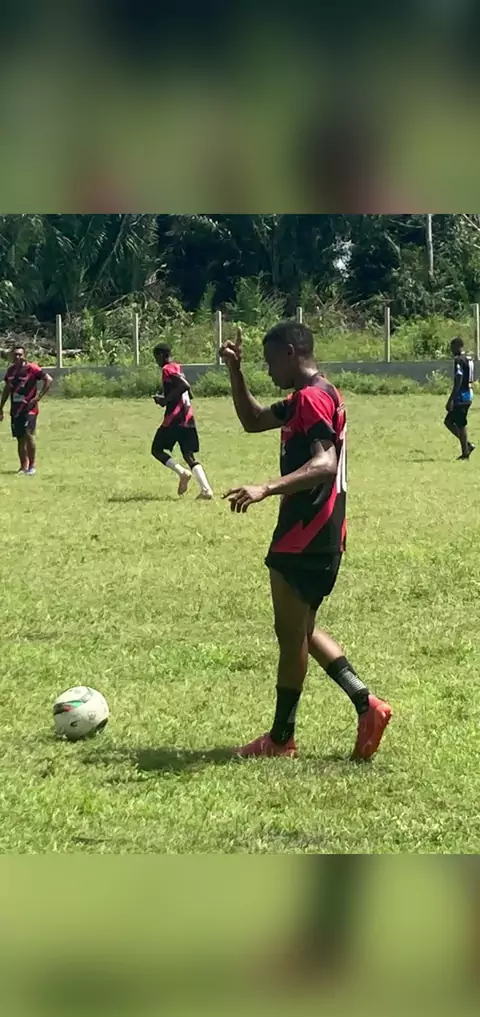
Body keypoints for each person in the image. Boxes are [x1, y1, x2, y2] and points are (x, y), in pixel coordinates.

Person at [221, 321, 392, 760]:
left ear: (292, 353)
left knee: (291, 635)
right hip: (322, 533)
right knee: (303, 629)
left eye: (270, 361)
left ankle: (281, 739)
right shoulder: (314, 395)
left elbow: (324, 463)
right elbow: (253, 420)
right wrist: (235, 372)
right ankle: (366, 704)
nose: (268, 369)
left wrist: (265, 487)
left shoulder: (312, 398)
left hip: (306, 534)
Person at [151, 343, 213, 499]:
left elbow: (184, 385)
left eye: (156, 357)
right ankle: (206, 490)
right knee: (188, 455)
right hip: (188, 417)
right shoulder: (177, 367)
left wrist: (165, 400)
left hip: (174, 418)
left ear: (161, 355)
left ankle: (182, 473)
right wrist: (168, 397)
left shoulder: (167, 369)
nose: (156, 361)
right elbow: (188, 391)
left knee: (156, 450)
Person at [0, 344, 52, 474]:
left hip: (29, 409)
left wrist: (38, 397)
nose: (18, 357)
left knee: (28, 435)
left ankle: (32, 466)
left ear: (25, 355)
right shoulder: (11, 370)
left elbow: (48, 379)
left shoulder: (32, 368)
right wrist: (1, 407)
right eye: (15, 354)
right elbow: (7, 388)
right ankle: (23, 466)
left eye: (20, 354)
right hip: (16, 409)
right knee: (20, 438)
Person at [444, 337, 475, 460]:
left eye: (452, 348)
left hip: (461, 395)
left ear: (457, 346)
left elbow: (459, 378)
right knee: (449, 421)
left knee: (460, 424)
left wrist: (451, 398)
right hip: (469, 392)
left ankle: (465, 453)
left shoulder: (459, 359)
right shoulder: (469, 359)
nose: (451, 351)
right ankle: (467, 445)